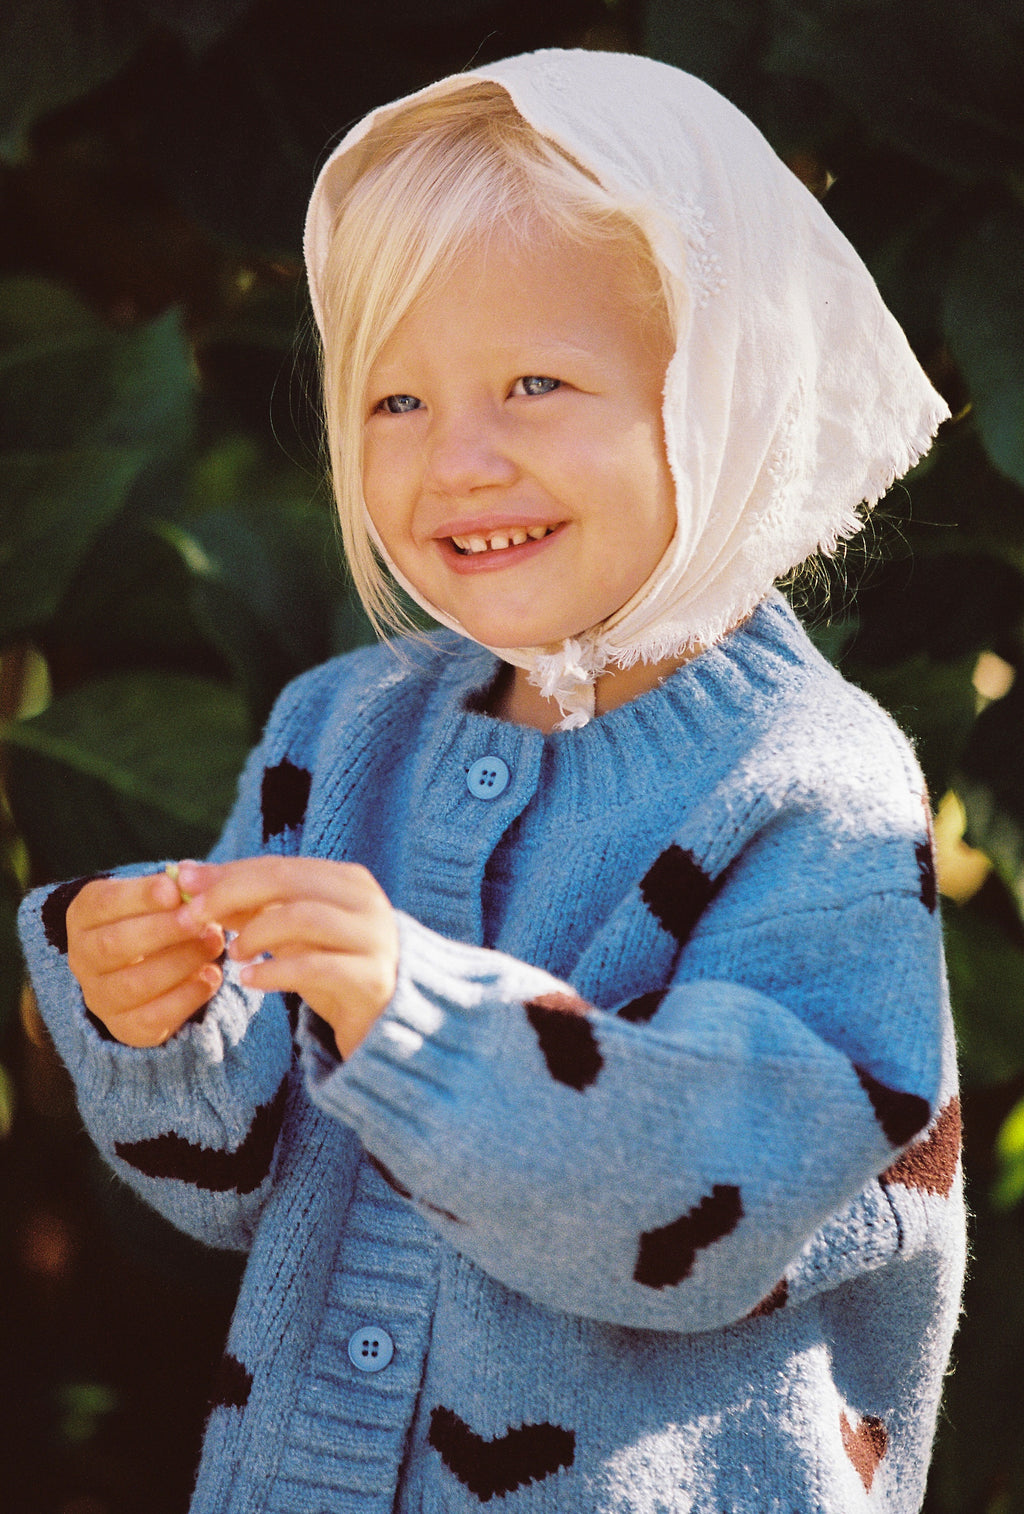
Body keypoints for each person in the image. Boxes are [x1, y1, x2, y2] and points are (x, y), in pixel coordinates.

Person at [19, 47, 965, 1514]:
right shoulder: (337, 733)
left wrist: (424, 1018)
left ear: (723, 391)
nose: (457, 458)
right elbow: (234, 1180)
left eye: (535, 381)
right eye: (393, 398)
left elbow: (722, 1200)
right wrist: (160, 1024)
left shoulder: (810, 784)